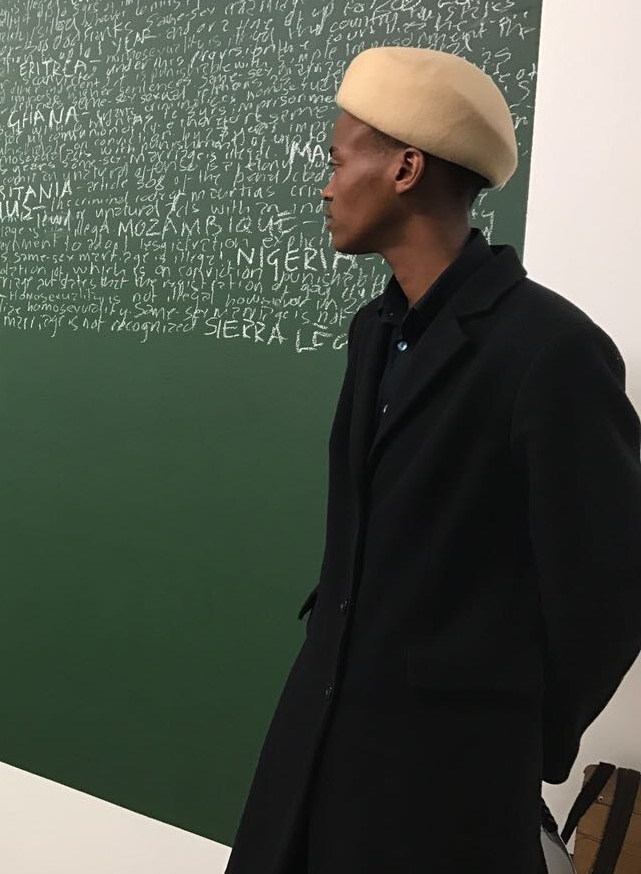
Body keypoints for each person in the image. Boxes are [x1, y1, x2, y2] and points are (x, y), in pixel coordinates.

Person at [225, 47, 641, 872]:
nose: (327, 184)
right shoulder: (373, 333)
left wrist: (511, 733)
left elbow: (610, 588)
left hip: (445, 784)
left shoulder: (550, 352)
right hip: (318, 740)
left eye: (340, 160)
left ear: (406, 167)